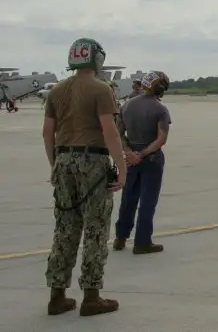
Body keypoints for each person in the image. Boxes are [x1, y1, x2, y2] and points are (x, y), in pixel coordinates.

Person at [43, 37, 125, 317]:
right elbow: (109, 131)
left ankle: (57, 296)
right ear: (97, 59)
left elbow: (47, 133)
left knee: (65, 228)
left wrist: (55, 165)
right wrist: (121, 166)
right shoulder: (101, 89)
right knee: (96, 227)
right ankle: (91, 296)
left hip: (63, 160)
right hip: (93, 161)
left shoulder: (56, 91)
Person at [113, 70, 171, 255]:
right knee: (147, 202)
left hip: (131, 159)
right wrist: (143, 153)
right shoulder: (160, 109)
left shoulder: (127, 105)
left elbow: (118, 134)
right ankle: (142, 242)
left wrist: (130, 153)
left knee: (128, 199)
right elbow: (161, 139)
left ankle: (120, 238)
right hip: (151, 158)